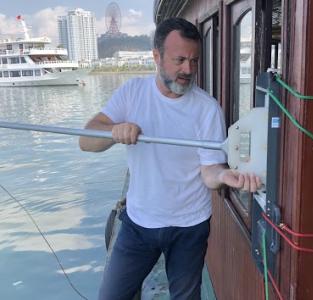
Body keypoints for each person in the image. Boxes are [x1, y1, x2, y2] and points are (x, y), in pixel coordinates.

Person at [79, 17, 261, 300]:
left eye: (194, 61)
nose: (188, 70)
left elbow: (209, 170)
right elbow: (86, 140)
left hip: (190, 226)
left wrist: (224, 175)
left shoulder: (207, 109)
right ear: (156, 56)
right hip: (139, 223)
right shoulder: (132, 93)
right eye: (179, 60)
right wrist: (114, 132)